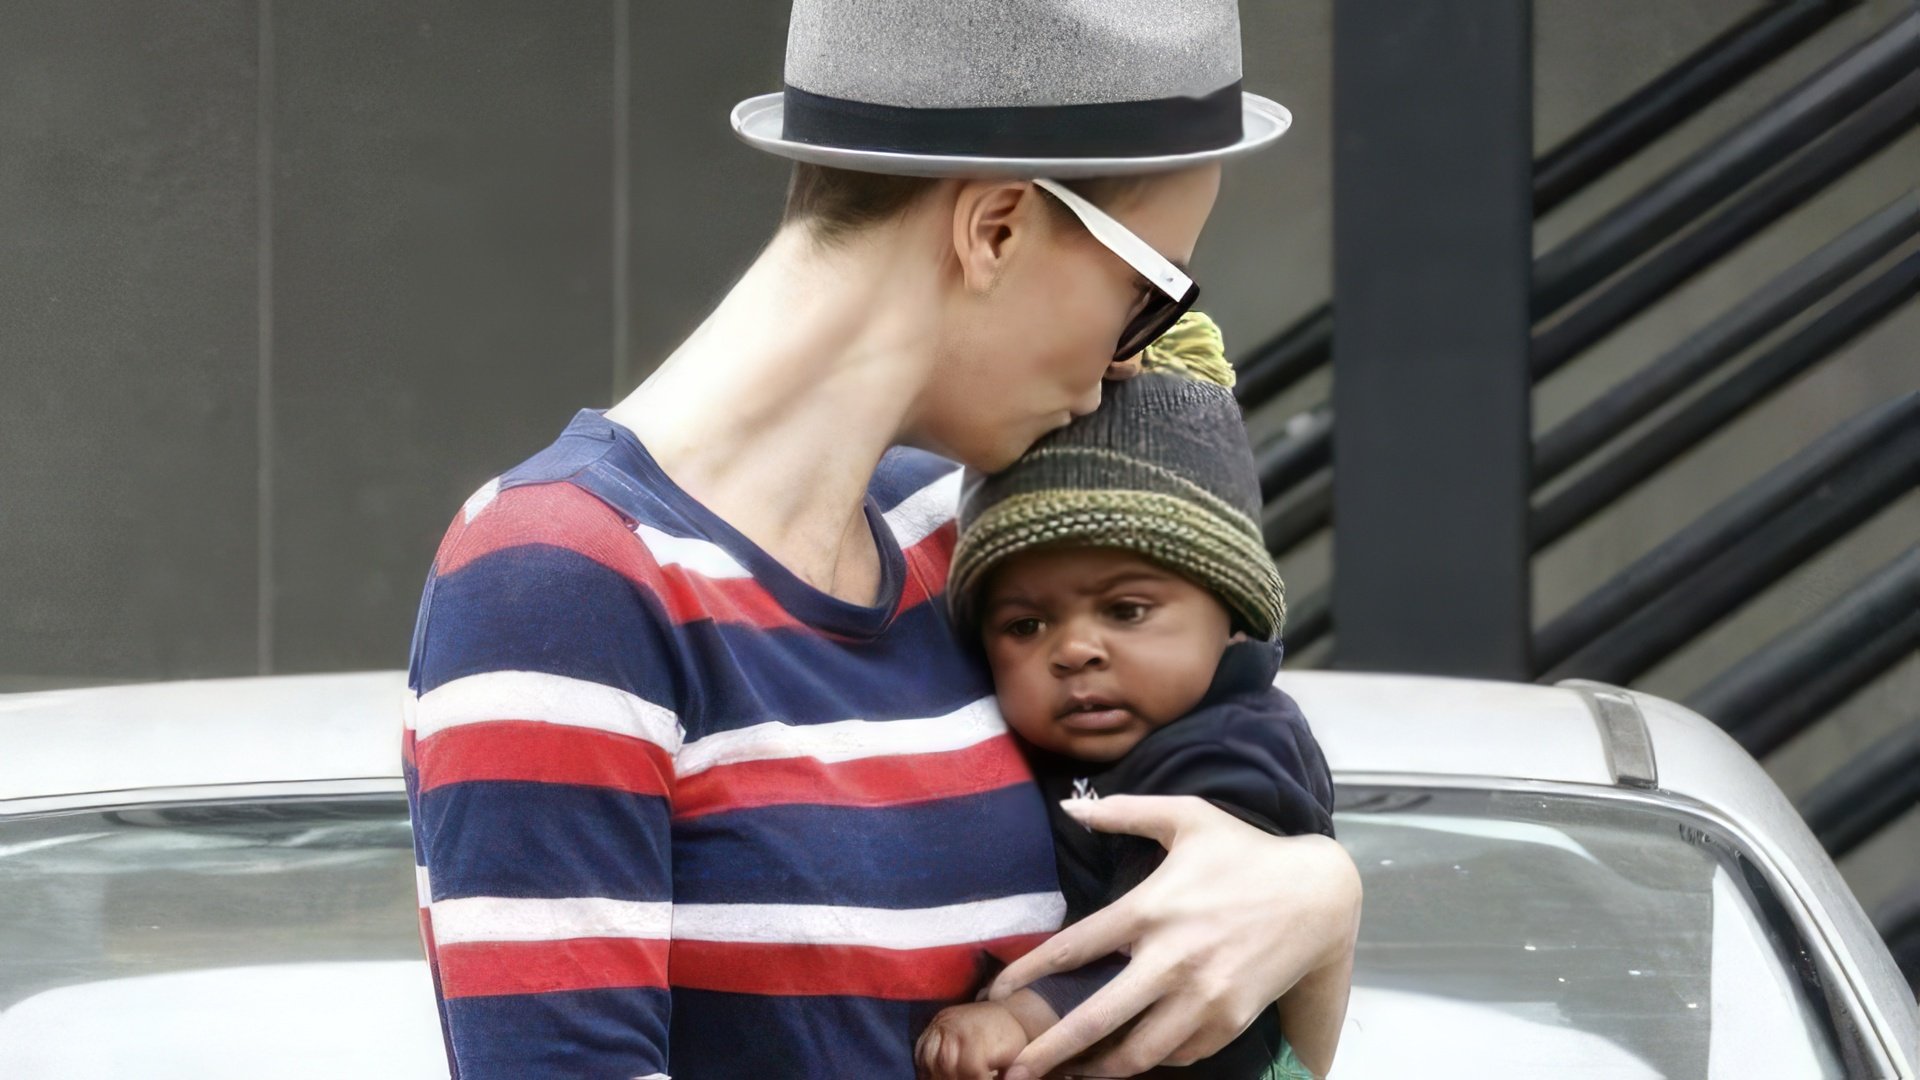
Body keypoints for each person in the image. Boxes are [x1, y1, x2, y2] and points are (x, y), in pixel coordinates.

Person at [401, 2, 1360, 1077]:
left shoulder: (970, 543)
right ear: (995, 227)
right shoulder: (561, 577)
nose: (1124, 365)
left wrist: (1318, 901)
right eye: (1144, 294)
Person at [914, 315, 1347, 1080]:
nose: (1075, 647)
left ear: (1230, 621)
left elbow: (1176, 930)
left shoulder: (1235, 746)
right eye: (1026, 623)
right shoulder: (1043, 745)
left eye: (1126, 610)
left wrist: (1016, 1017)